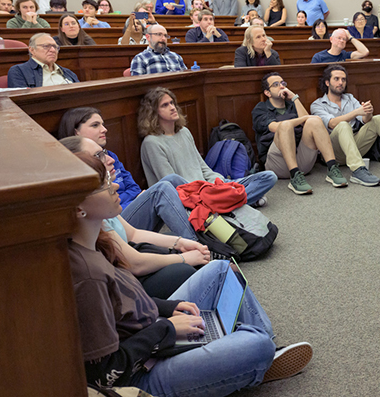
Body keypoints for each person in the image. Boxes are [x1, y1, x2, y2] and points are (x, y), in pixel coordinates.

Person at [67, 152, 313, 395]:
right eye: (104, 184)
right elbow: (105, 373)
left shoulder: (97, 241)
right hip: (142, 374)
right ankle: (251, 358)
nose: (116, 185)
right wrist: (167, 330)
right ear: (79, 209)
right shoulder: (88, 276)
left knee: (220, 269)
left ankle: (256, 354)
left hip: (153, 332)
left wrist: (167, 307)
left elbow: (125, 304)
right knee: (256, 345)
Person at [60, 136, 206, 298]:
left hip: (129, 267)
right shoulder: (93, 214)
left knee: (175, 240)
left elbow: (133, 233)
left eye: (104, 153)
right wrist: (183, 258)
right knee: (184, 269)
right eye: (98, 156)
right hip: (126, 281)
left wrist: (181, 242)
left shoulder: (103, 206)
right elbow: (133, 263)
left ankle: (204, 249)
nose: (109, 159)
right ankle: (208, 256)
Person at [58, 107, 201, 240]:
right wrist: (134, 200)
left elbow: (134, 188)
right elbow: (101, 203)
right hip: (115, 219)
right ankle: (198, 243)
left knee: (172, 179)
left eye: (103, 124)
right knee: (161, 190)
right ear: (76, 131)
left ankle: (211, 225)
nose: (104, 129)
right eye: (95, 125)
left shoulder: (111, 155)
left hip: (126, 209)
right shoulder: (79, 165)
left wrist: (135, 199)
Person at [139, 87, 277, 207]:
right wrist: (210, 190)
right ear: (153, 113)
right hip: (193, 196)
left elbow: (202, 166)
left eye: (172, 103)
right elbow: (173, 184)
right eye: (164, 105)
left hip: (209, 187)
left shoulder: (184, 132)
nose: (172, 107)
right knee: (236, 191)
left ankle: (232, 200)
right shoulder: (151, 143)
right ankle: (236, 200)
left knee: (269, 177)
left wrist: (218, 181)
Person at [252, 72, 348, 195]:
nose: (282, 86)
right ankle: (294, 177)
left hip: (301, 161)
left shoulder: (292, 105)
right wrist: (303, 119)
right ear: (267, 93)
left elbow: (308, 121)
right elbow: (275, 127)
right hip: (277, 164)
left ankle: (332, 168)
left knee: (314, 121)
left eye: (283, 83)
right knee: (285, 125)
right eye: (276, 84)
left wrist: (295, 98)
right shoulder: (260, 108)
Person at [7, 33, 79, 88]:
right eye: (46, 46)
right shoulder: (19, 71)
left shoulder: (67, 72)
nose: (53, 50)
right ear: (32, 50)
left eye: (55, 47)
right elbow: (23, 102)